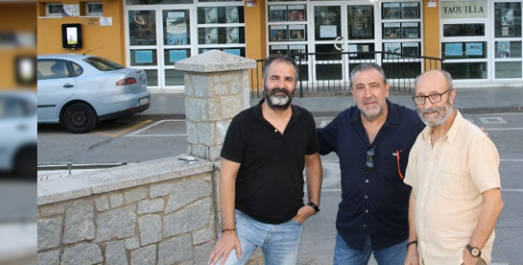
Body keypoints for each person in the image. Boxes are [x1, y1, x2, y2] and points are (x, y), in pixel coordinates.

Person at [208, 56, 323, 265]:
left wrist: (314, 203)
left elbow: (313, 161)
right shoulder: (243, 123)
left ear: (295, 85)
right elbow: (226, 177)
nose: (281, 85)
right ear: (263, 82)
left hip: (289, 225)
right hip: (244, 222)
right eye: (275, 78)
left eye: (288, 79)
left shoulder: (305, 119)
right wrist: (228, 230)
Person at [318, 63, 426, 265]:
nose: (368, 94)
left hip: (397, 236)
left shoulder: (412, 123)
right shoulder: (343, 122)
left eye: (374, 86)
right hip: (351, 235)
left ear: (386, 89)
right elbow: (313, 142)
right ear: (353, 93)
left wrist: (472, 138)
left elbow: (443, 138)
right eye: (360, 88)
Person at [404, 70, 503, 265]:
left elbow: (495, 203)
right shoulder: (421, 141)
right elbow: (416, 195)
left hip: (460, 259)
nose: (428, 105)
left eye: (435, 95)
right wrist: (412, 246)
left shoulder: (474, 140)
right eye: (421, 98)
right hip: (426, 258)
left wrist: (473, 253)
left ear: (451, 95)